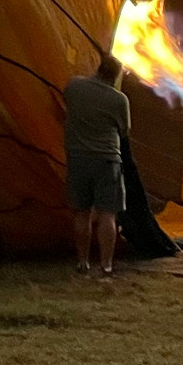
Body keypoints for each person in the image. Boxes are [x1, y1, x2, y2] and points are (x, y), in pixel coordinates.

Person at [63, 55, 134, 279]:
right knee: (107, 215)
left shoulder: (74, 87)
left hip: (78, 158)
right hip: (107, 161)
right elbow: (124, 131)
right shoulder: (119, 100)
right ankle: (106, 265)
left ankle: (83, 262)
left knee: (81, 213)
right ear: (115, 76)